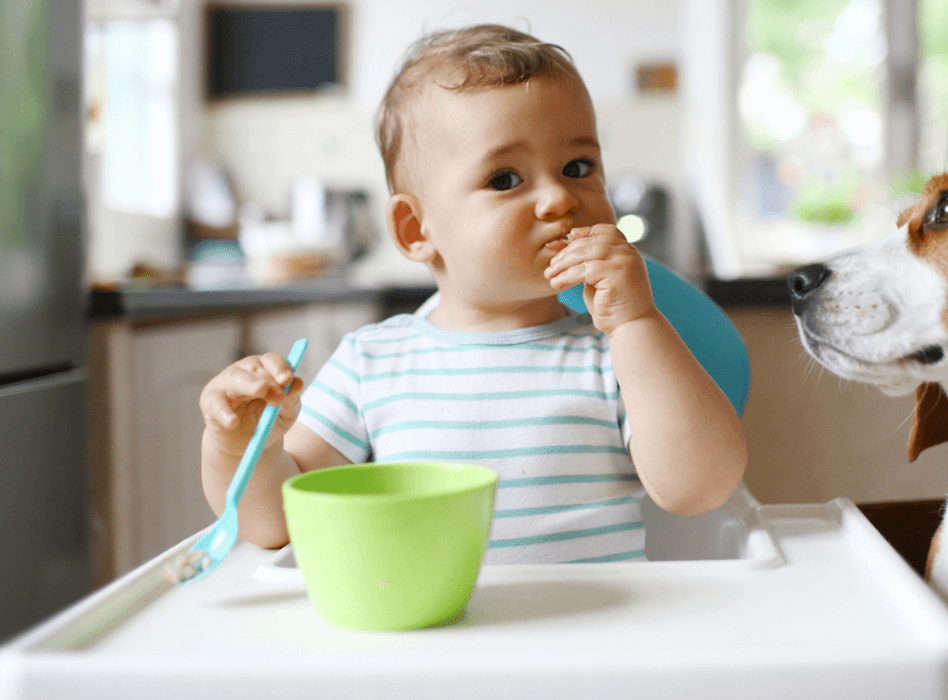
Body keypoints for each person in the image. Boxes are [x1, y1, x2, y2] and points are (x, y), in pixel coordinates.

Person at [198, 24, 747, 564]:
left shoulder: (614, 354)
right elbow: (276, 524)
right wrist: (243, 447)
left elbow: (699, 490)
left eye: (578, 167)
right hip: (432, 647)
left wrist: (637, 323)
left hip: (587, 645)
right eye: (505, 179)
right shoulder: (372, 364)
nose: (559, 197)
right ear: (416, 231)